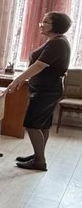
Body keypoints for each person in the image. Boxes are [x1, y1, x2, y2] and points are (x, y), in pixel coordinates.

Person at [9, 12, 72, 171]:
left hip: (46, 90)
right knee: (43, 124)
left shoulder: (57, 43)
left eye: (46, 22)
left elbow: (39, 65)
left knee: (32, 124)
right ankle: (38, 155)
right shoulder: (56, 41)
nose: (41, 25)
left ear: (56, 25)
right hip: (47, 89)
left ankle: (39, 161)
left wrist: (17, 80)